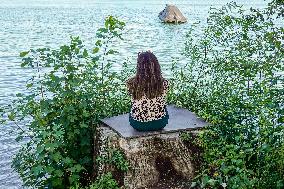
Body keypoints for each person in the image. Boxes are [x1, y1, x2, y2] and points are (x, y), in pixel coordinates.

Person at [126, 50, 170, 131]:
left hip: (138, 124)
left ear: (139, 67)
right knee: (163, 106)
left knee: (133, 106)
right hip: (160, 123)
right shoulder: (164, 83)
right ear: (156, 66)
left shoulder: (131, 83)